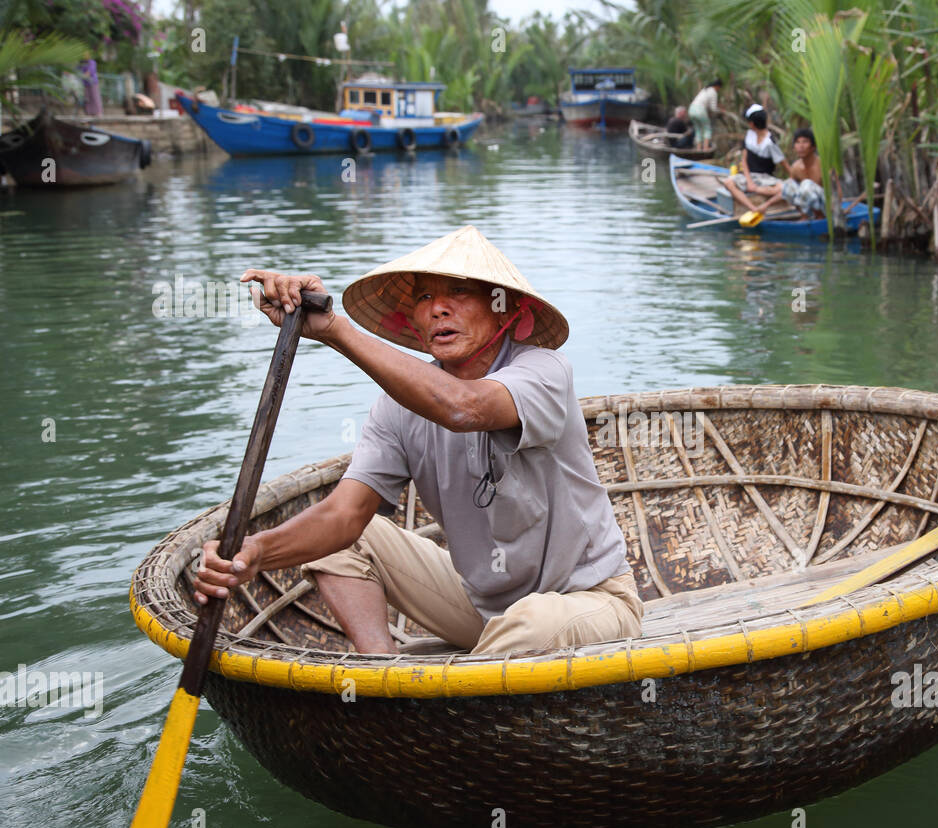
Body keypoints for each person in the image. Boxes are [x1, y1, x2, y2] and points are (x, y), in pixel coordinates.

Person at [193, 226, 644, 658]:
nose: (438, 309)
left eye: (460, 293)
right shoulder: (397, 407)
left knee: (529, 623)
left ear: (504, 309)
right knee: (349, 542)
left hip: (589, 599)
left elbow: (465, 408)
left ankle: (454, 695)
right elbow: (344, 516)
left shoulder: (544, 371)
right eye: (425, 297)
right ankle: (383, 681)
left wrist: (336, 330)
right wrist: (253, 554)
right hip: (482, 609)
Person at [721, 104, 791, 214]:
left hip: (766, 179)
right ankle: (753, 208)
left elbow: (784, 163)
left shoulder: (770, 142)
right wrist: (749, 182)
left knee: (784, 189)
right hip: (749, 176)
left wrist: (795, 179)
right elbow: (744, 161)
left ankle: (761, 201)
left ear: (752, 124)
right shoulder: (749, 136)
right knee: (728, 182)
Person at [755, 127, 827, 220]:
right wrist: (766, 205)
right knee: (789, 185)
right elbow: (786, 191)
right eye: (797, 142)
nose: (801, 146)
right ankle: (804, 216)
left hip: (825, 207)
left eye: (805, 142)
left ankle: (819, 216)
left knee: (806, 184)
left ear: (813, 147)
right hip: (808, 208)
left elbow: (837, 191)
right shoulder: (796, 167)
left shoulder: (823, 166)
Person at [688, 78, 723, 151]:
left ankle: (698, 149)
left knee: (698, 130)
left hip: (691, 109)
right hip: (700, 110)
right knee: (707, 129)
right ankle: (705, 149)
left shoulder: (705, 89)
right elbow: (713, 108)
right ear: (718, 86)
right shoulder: (713, 92)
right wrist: (721, 111)